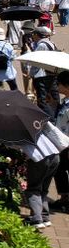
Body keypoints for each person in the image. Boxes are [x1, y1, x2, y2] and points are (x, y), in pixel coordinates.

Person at [3, 121, 69, 229]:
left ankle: (36, 219)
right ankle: (44, 217)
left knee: (33, 188)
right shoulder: (36, 120)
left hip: (39, 158)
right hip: (55, 156)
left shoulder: (19, 127)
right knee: (43, 188)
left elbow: (15, 145)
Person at [29, 26, 59, 115]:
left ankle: (50, 119)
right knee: (54, 96)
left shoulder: (41, 45)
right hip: (51, 73)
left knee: (42, 100)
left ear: (37, 35)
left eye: (33, 34)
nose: (32, 36)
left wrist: (31, 74)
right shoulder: (51, 43)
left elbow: (36, 62)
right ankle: (57, 114)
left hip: (42, 76)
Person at [52, 71, 69, 211]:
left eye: (59, 84)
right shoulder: (64, 102)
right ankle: (64, 198)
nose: (57, 86)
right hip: (61, 142)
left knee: (62, 168)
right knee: (59, 169)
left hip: (67, 142)